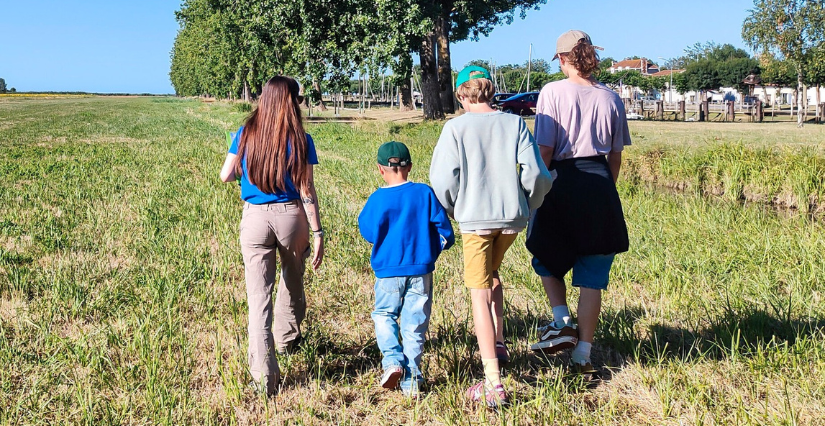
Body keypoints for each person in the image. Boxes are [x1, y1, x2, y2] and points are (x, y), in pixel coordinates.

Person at [430, 66, 554, 407]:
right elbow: (537, 174)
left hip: (475, 220)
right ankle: (498, 341)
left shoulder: (454, 128)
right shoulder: (514, 123)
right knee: (493, 274)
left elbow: (443, 180)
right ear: (492, 90)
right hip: (511, 218)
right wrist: (527, 205)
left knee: (478, 292)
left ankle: (493, 381)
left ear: (460, 94)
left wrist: (455, 208)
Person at [526, 30, 631, 375]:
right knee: (593, 276)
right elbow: (615, 155)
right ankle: (583, 356)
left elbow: (545, 148)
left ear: (562, 58)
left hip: (562, 180)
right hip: (600, 182)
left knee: (545, 252)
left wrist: (535, 188)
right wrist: (605, 189)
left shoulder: (552, 92)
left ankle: (562, 322)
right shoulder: (612, 98)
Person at [219, 76, 324, 397]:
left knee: (258, 298)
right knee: (292, 281)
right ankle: (287, 338)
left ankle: (265, 377)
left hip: (254, 218)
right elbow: (307, 190)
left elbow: (225, 175)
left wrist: (245, 170)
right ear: (292, 102)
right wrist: (317, 231)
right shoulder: (302, 139)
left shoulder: (245, 134)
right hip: (292, 217)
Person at [358, 141, 455, 398]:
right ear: (409, 166)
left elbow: (367, 231)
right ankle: (412, 378)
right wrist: (432, 250)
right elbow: (445, 231)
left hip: (388, 271)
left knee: (384, 314)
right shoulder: (424, 193)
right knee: (415, 324)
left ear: (380, 169)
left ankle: (392, 360)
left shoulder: (377, 199)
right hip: (421, 269)